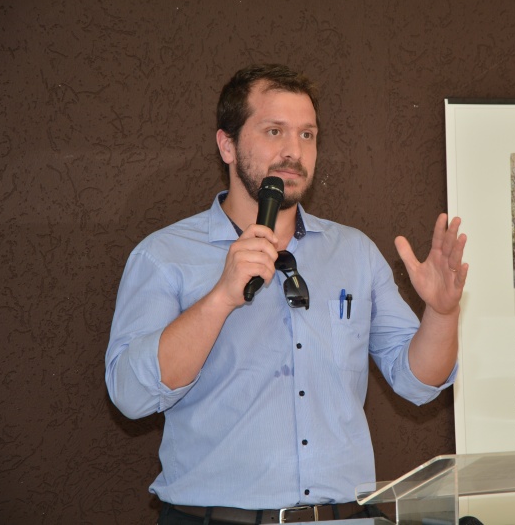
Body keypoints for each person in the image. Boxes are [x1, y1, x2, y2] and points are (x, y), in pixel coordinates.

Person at [105, 64, 468, 525]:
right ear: (227, 145)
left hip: (344, 518)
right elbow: (131, 396)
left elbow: (417, 382)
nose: (293, 151)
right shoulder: (165, 256)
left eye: (307, 135)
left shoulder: (354, 252)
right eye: (274, 131)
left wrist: (441, 312)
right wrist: (219, 297)